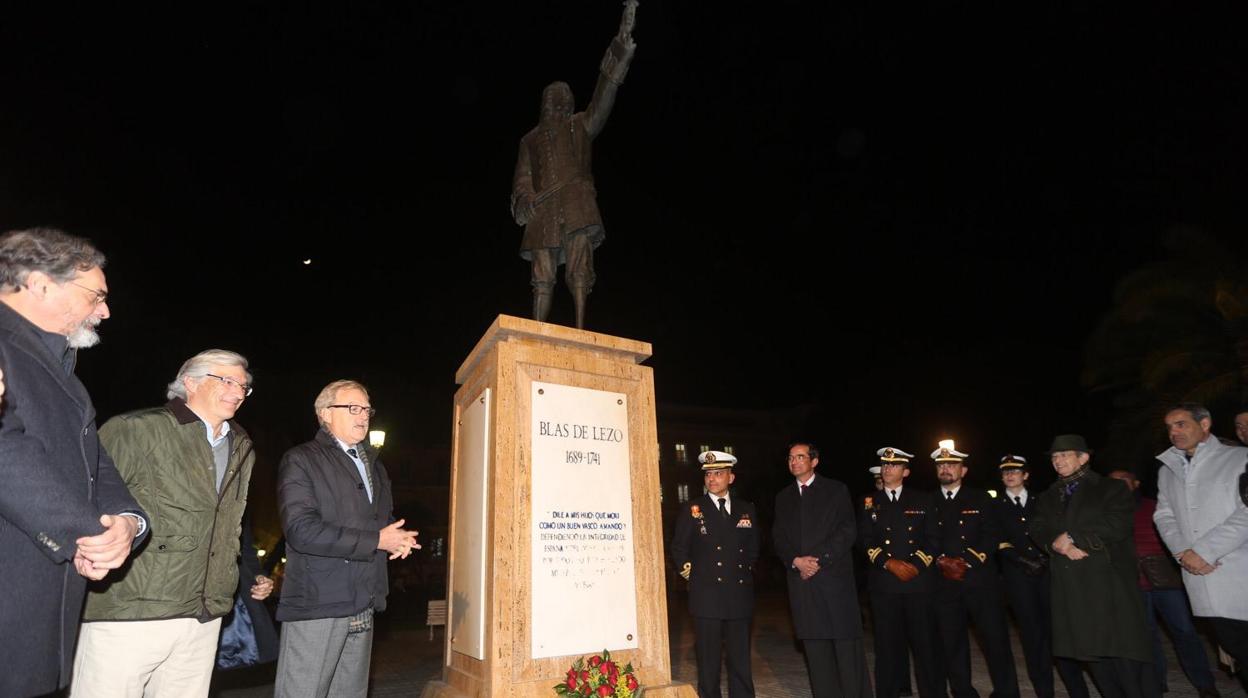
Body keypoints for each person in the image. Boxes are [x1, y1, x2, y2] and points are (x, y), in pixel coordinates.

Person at [0, 227, 147, 697]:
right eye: (95, 295)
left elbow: (94, 463)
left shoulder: (62, 370)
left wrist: (127, 522)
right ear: (41, 284)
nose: (104, 310)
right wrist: (89, 531)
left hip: (41, 611)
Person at [74, 349, 257, 697]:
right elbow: (87, 501)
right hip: (131, 609)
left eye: (244, 386)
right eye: (228, 381)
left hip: (203, 613)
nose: (238, 392)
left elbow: (231, 526)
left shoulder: (242, 445)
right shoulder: (134, 430)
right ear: (190, 382)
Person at [274, 380, 420, 698]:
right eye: (353, 408)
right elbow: (301, 530)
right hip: (319, 602)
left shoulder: (375, 467)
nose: (363, 415)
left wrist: (397, 536)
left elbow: (377, 522)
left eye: (367, 408)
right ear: (325, 413)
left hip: (364, 599)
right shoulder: (302, 459)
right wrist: (375, 540)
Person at [510, 1, 637, 328]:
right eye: (553, 100)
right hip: (543, 212)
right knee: (542, 275)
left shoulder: (581, 125)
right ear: (544, 105)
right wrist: (524, 200)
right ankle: (539, 330)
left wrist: (620, 46)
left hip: (578, 205)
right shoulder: (529, 140)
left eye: (564, 99)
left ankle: (580, 329)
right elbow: (522, 180)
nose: (559, 104)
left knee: (581, 269)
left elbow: (604, 95)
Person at [1029, 434, 1156, 698]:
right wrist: (1056, 543)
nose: (1058, 460)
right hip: (1071, 587)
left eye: (1064, 454)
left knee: (1122, 653)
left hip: (1107, 585)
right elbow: (1037, 528)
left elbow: (1117, 524)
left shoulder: (1111, 488)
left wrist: (1075, 537)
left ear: (1083, 458)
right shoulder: (1048, 496)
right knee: (1091, 654)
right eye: (1054, 456)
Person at [1108, 468, 1219, 698]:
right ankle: (1156, 684)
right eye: (1112, 483)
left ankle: (1205, 684)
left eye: (1123, 481)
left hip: (1166, 581)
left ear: (1136, 483)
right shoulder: (1107, 512)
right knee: (1147, 636)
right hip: (1134, 584)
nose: (1117, 486)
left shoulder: (1155, 506)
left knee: (1185, 632)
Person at [1154, 404, 1248, 674]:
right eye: (1169, 427)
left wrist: (1206, 551)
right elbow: (1164, 516)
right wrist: (1183, 552)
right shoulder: (1167, 470)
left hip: (1238, 572)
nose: (1173, 431)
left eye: (1181, 424)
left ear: (1205, 424)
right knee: (1236, 654)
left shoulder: (1240, 459)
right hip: (1199, 577)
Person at [773, 441, 871, 698]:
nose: (794, 462)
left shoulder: (836, 490)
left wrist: (818, 560)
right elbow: (778, 538)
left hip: (833, 581)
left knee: (846, 649)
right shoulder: (783, 497)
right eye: (791, 458)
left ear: (814, 461)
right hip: (802, 583)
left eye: (800, 457)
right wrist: (795, 561)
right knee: (816, 651)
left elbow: (847, 530)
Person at [993, 455, 1089, 698]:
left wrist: (1045, 558)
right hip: (1018, 578)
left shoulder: (1043, 499)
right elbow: (996, 539)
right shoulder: (994, 504)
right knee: (1032, 637)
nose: (1010, 475)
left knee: (1060, 634)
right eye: (1006, 472)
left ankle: (1078, 690)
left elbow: (1055, 529)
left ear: (1026, 475)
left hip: (1050, 573)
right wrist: (1023, 561)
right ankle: (1044, 691)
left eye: (1015, 471)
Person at [930, 440, 1019, 698]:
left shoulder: (981, 497)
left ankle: (1007, 691)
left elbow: (992, 533)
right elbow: (924, 537)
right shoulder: (929, 500)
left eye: (952, 464)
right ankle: (962, 691)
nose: (946, 468)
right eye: (941, 465)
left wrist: (968, 560)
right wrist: (940, 560)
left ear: (963, 471)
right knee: (952, 642)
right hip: (944, 582)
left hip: (980, 581)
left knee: (995, 640)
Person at [669, 450, 759, 698]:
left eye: (718, 473)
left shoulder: (746, 509)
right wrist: (694, 576)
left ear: (731, 477)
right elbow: (679, 548)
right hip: (706, 596)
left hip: (739, 594)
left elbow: (753, 548)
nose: (712, 479)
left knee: (740, 661)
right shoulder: (693, 509)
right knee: (708, 664)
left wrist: (743, 572)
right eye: (708, 474)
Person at [857, 447, 940, 698]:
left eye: (893, 466)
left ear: (906, 471)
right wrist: (888, 563)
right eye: (884, 465)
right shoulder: (869, 502)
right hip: (885, 585)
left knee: (925, 645)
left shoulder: (923, 499)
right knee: (887, 647)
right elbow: (864, 540)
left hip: (918, 584)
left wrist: (915, 564)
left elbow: (934, 539)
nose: (887, 469)